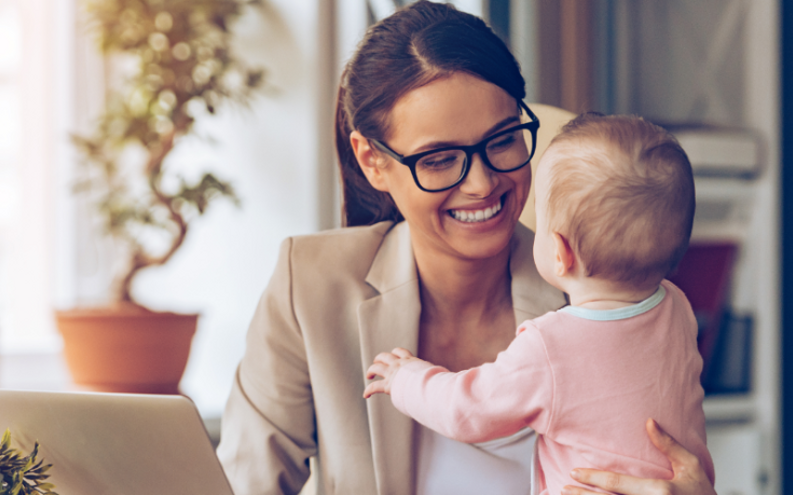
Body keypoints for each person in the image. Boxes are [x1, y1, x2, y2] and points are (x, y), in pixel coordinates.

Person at [216, 2, 717, 494]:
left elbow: (666, 459)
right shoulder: (308, 286)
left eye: (501, 141)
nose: (480, 183)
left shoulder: (608, 285)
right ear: (372, 161)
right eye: (438, 158)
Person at [364, 113, 714, 495]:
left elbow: (467, 409)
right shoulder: (677, 309)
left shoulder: (550, 345)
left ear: (560, 252)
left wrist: (405, 378)